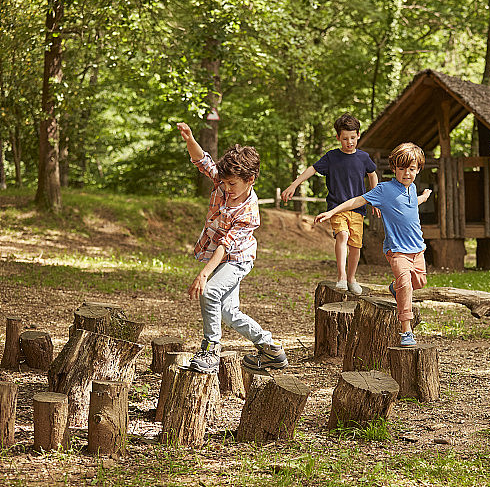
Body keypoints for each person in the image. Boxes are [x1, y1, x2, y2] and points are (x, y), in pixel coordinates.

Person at [177, 122, 288, 374]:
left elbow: (226, 246)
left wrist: (204, 274)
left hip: (237, 258)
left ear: (250, 180)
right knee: (227, 312)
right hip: (222, 256)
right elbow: (201, 161)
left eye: (232, 185)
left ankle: (211, 349)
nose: (226, 189)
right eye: (224, 183)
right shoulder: (224, 180)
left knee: (210, 292)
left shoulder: (249, 211)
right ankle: (271, 349)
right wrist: (190, 139)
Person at [314, 142, 431, 347]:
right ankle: (406, 330)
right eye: (402, 169)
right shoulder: (384, 189)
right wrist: (332, 212)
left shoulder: (412, 188)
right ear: (393, 168)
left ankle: (395, 288)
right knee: (406, 284)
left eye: (412, 169)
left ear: (418, 169)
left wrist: (424, 196)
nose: (406, 173)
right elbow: (356, 201)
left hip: (418, 249)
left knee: (419, 282)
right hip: (397, 251)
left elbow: (412, 204)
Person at [281, 113, 378, 295]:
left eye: (352, 137)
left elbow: (372, 174)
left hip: (357, 209)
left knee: (356, 245)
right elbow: (312, 169)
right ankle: (341, 276)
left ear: (358, 135)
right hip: (336, 208)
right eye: (345, 138)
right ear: (338, 138)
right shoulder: (332, 157)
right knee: (342, 235)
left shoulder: (364, 157)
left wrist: (375, 199)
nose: (349, 142)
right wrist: (294, 184)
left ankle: (351, 278)